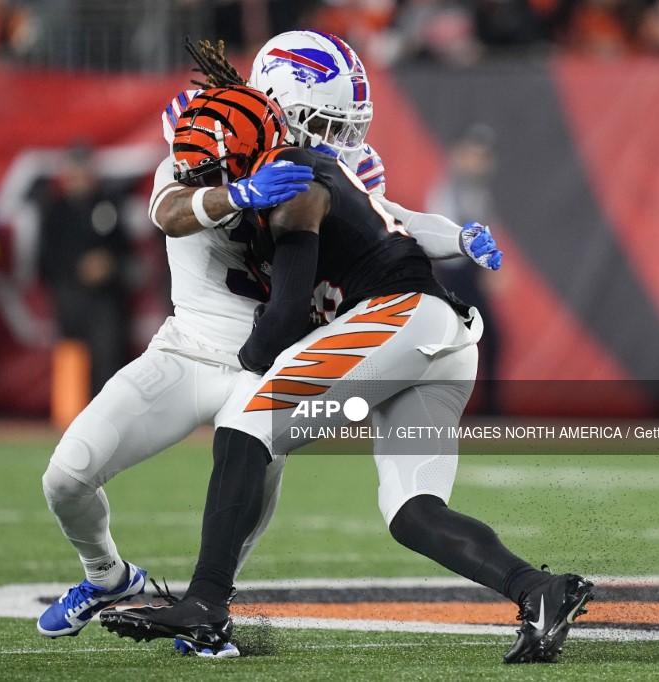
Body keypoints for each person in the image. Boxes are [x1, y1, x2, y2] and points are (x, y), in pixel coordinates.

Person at [36, 33, 500, 658]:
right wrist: (238, 193)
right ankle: (108, 578)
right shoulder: (209, 137)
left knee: (248, 458)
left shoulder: (328, 167)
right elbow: (170, 211)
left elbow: (395, 218)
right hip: (190, 349)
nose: (340, 140)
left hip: (276, 358)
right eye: (328, 121)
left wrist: (459, 238)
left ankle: (209, 610)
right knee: (66, 477)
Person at [99, 86, 593, 664]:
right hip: (443, 334)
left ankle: (206, 604)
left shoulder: (292, 178)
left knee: (246, 423)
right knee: (414, 514)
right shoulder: (318, 168)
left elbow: (283, 315)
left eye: (214, 162)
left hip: (398, 316)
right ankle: (539, 591)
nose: (209, 176)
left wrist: (244, 365)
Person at [37, 144, 131, 396]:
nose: (78, 176)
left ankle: (108, 417)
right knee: (72, 360)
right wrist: (77, 268)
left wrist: (107, 263)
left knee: (108, 357)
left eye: (83, 169)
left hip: (105, 298)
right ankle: (71, 420)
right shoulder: (55, 210)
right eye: (74, 169)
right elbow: (44, 260)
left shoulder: (107, 205)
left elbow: (125, 250)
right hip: (70, 297)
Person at [427, 124, 502, 412]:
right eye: (474, 154)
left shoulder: (476, 191)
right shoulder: (449, 191)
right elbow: (448, 240)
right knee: (452, 345)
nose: (479, 161)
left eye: (483, 155)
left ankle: (487, 407)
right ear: (458, 155)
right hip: (452, 274)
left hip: (467, 273)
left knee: (479, 340)